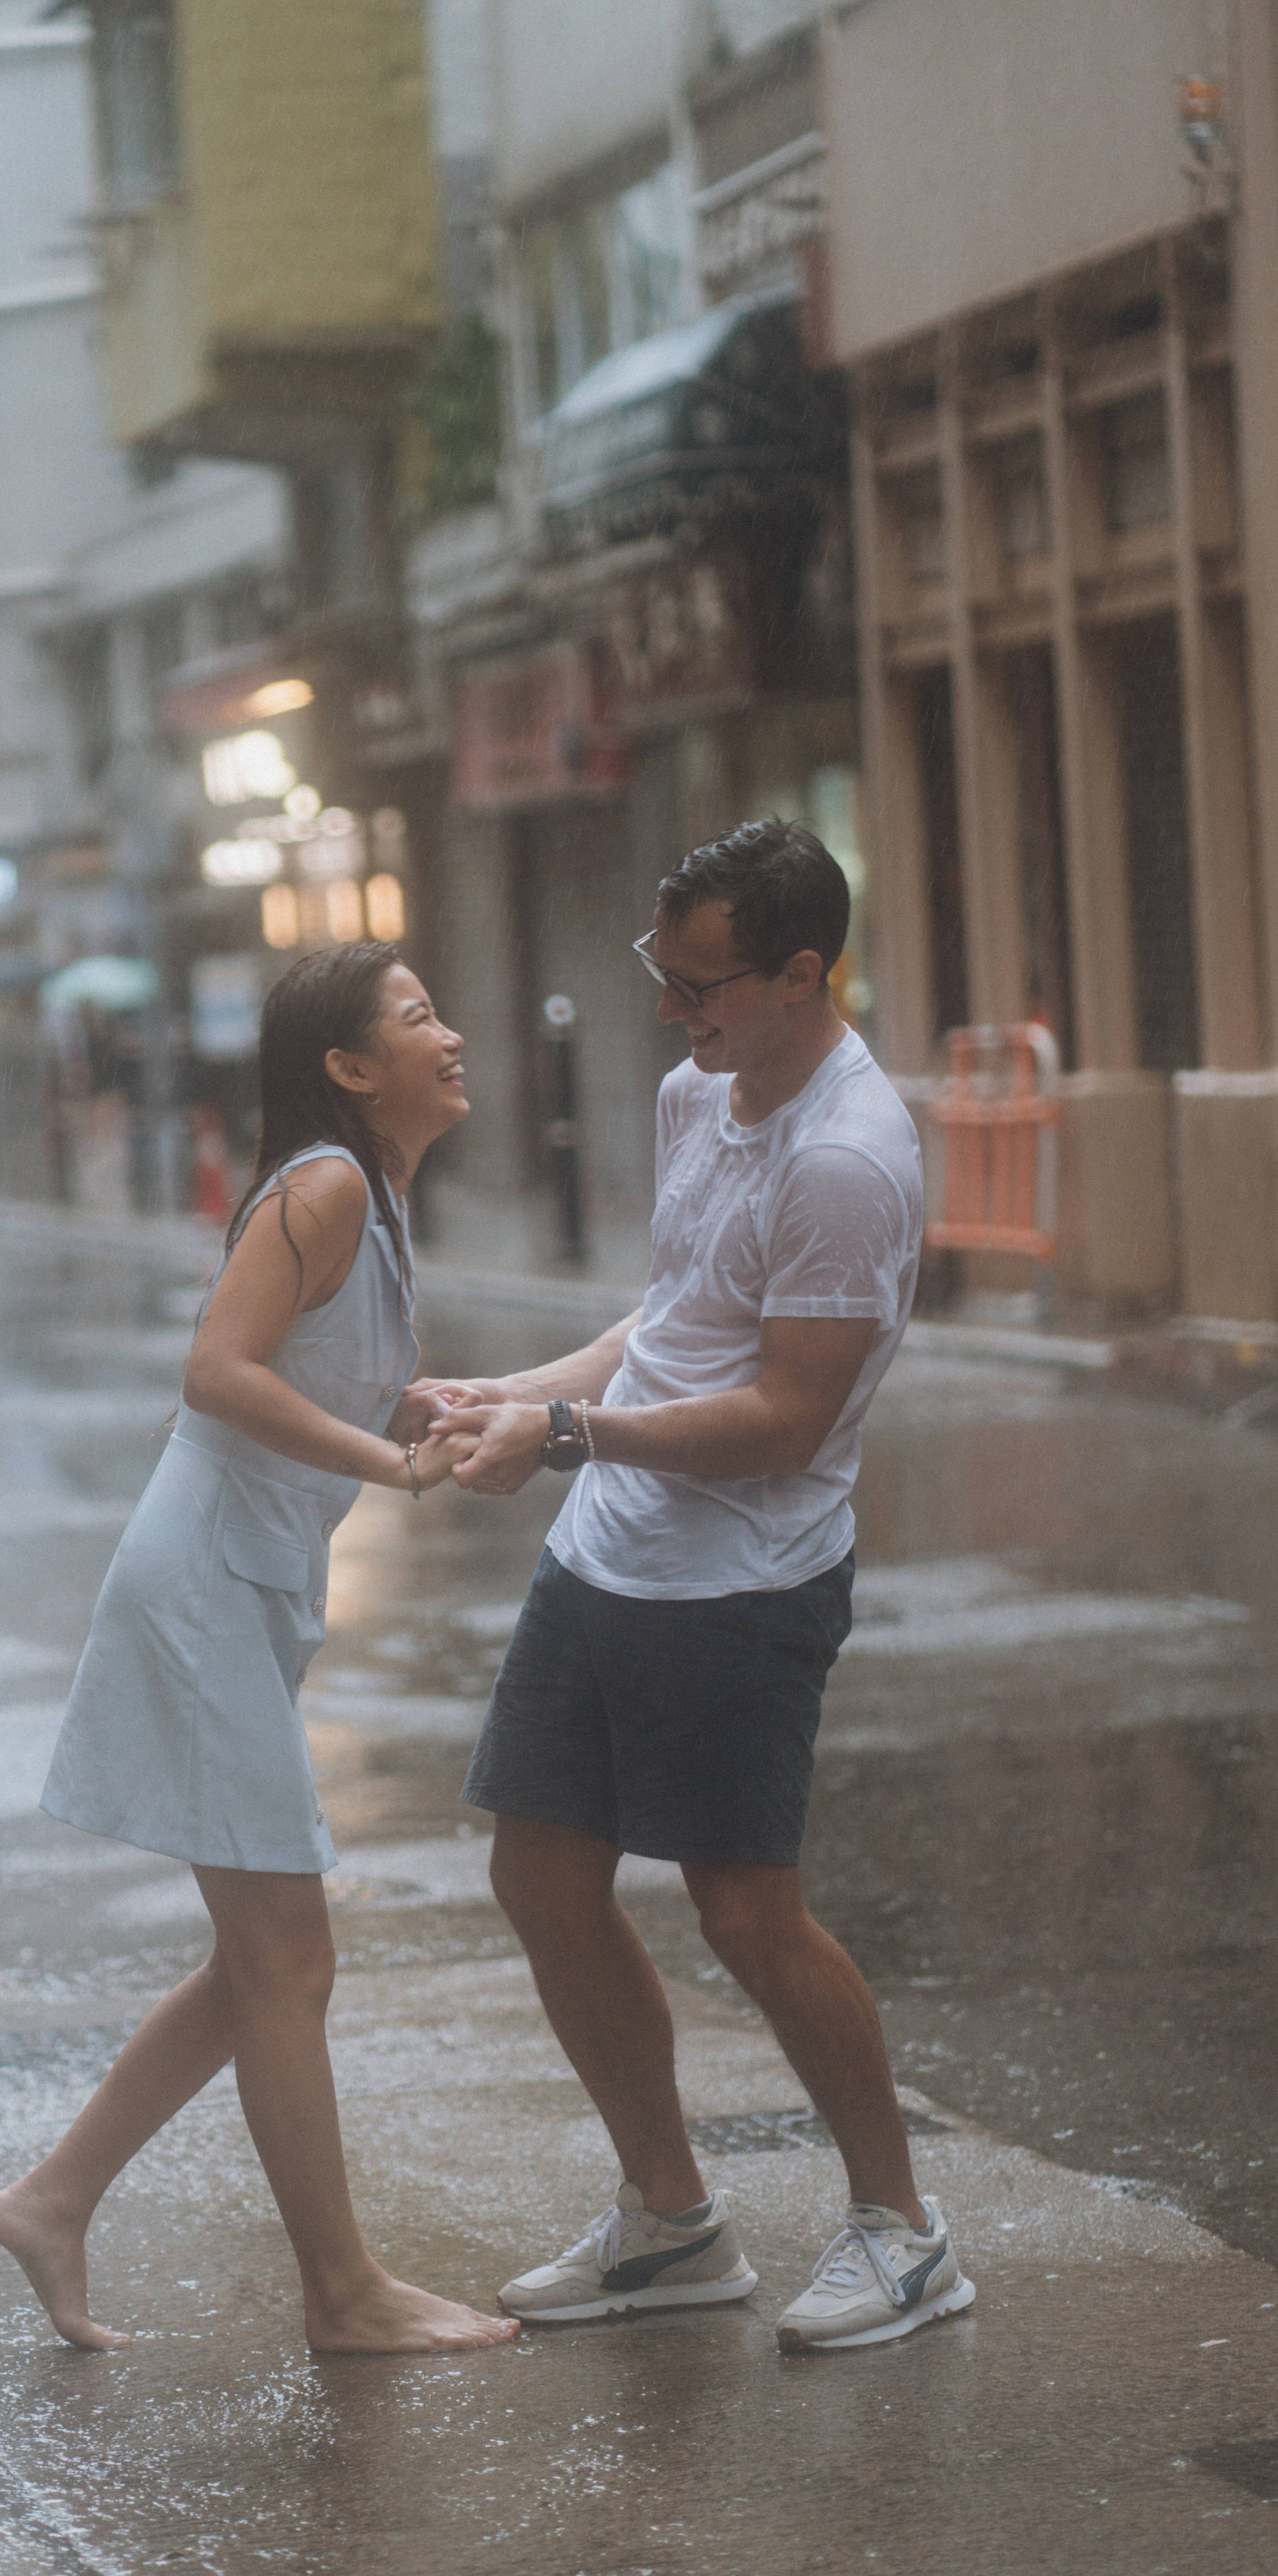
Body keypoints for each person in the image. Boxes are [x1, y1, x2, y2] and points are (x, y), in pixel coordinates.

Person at [432, 818, 973, 2355]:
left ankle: (903, 2230)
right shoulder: (698, 1093)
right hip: (607, 1552)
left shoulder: (846, 1158)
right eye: (660, 975)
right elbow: (671, 1320)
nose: (673, 1013)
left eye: (702, 985)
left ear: (803, 974)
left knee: (747, 1915)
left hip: (743, 1580)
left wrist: (563, 1436)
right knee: (539, 1879)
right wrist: (517, 1392)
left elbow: (787, 1417)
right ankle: (670, 2220)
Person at [0, 941, 517, 2358]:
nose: (452, 1035)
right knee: (289, 1960)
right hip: (205, 1586)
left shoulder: (374, 1197)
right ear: (350, 1069)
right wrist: (392, 1464)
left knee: (255, 1964)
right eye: (419, 1017)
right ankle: (343, 2294)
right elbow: (217, 1373)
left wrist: (417, 1410)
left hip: (245, 1586)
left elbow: (307, 1371)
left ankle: (52, 2201)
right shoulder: (325, 1184)